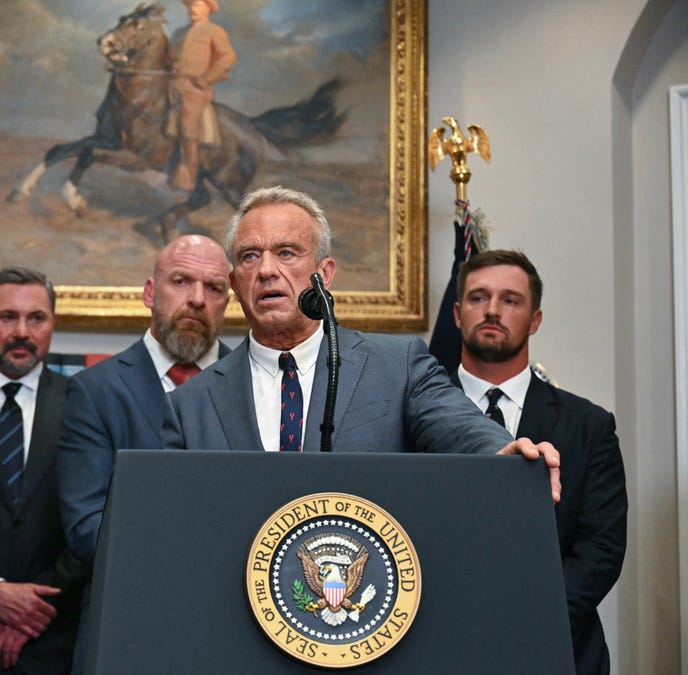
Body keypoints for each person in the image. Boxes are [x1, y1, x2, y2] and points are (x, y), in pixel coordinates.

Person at [164, 186, 561, 504]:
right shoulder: (191, 403)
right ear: (235, 284)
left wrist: (502, 452)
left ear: (325, 273)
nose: (267, 270)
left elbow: (459, 428)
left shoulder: (397, 366)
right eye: (250, 256)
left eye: (286, 253)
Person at [454, 249, 626, 674]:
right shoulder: (411, 412)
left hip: (559, 647)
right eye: (478, 298)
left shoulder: (589, 425)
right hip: (440, 643)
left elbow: (600, 548)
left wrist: (530, 618)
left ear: (535, 320)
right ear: (457, 314)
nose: (492, 310)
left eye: (510, 300)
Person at [58, 234, 231, 568]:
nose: (197, 299)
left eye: (214, 288)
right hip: (133, 599)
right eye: (181, 281)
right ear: (150, 293)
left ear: (227, 302)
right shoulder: (94, 392)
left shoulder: (255, 384)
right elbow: (86, 527)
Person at [0, 267, 88, 674]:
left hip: (56, 637)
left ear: (53, 324)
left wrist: (35, 606)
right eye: (8, 317)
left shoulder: (84, 404)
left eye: (37, 318)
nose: (22, 331)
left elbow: (98, 516)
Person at [169, 0, 237, 190]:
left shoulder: (214, 31)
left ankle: (188, 175)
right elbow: (169, 57)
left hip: (195, 89)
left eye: (197, 5)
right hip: (172, 85)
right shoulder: (178, 33)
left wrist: (207, 78)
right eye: (190, 5)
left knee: (187, 124)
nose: (192, 9)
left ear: (208, 8)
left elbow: (228, 57)